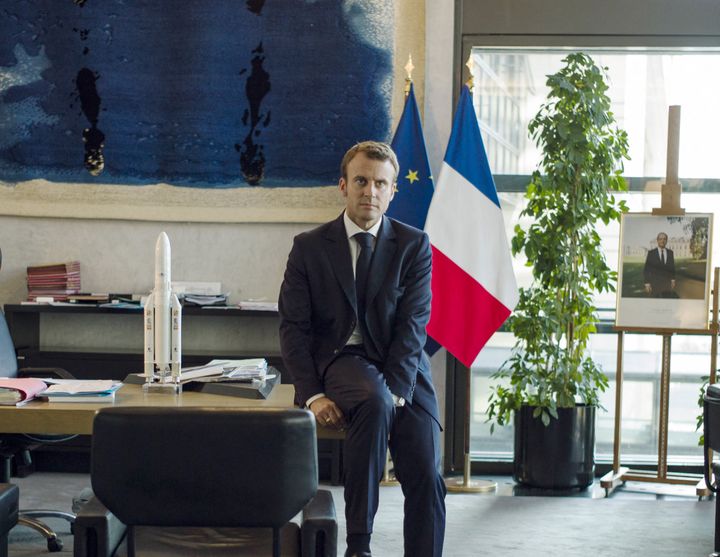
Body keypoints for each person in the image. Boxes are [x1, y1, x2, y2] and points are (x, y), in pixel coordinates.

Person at [278, 141, 446, 557]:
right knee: (372, 402)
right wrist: (313, 394)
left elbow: (413, 326)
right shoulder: (309, 246)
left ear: (393, 191)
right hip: (344, 360)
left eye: (380, 183)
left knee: (426, 470)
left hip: (404, 366)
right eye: (361, 181)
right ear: (343, 185)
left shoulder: (414, 245)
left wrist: (398, 389)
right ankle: (359, 546)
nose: (370, 191)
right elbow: (294, 329)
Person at [643, 232, 676, 298]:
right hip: (655, 284)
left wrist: (673, 280)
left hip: (667, 284)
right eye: (660, 239)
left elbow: (672, 268)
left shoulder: (670, 253)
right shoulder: (651, 253)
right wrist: (647, 283)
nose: (662, 241)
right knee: (655, 303)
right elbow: (646, 269)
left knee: (666, 302)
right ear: (657, 240)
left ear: (666, 241)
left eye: (664, 239)